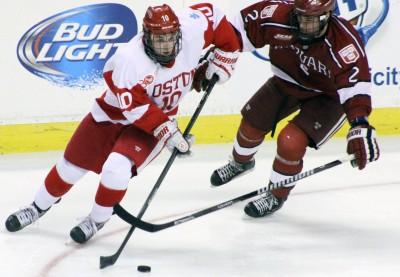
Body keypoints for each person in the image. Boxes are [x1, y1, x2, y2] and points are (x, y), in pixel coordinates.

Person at [5, 3, 240, 243]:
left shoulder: (192, 28)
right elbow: (136, 108)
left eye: (171, 37)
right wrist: (169, 133)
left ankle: (96, 219)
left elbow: (215, 16)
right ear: (146, 37)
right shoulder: (129, 61)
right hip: (115, 114)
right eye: (159, 39)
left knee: (116, 169)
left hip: (156, 119)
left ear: (179, 32)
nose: (167, 45)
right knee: (70, 167)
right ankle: (37, 207)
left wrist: (224, 58)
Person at [210, 0, 380, 218]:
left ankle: (276, 195)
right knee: (251, 124)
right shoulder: (277, 15)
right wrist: (222, 53)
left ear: (328, 15)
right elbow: (239, 28)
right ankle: (239, 163)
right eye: (301, 18)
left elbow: (356, 87)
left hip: (328, 98)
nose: (305, 26)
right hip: (287, 80)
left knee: (290, 142)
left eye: (313, 20)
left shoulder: (345, 43)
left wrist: (359, 123)